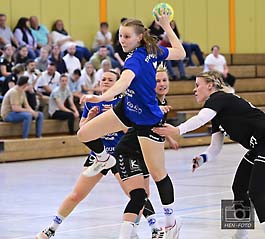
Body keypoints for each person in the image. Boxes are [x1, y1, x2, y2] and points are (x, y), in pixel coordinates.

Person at [77, 12, 185, 239]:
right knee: (84, 133)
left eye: (127, 36)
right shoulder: (151, 50)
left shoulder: (135, 58)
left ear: (139, 38)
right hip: (127, 110)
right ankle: (105, 159)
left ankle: (171, 221)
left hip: (148, 120)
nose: (122, 40)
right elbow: (180, 51)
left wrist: (101, 97)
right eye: (120, 36)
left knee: (158, 174)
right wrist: (166, 27)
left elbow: (124, 81)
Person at [152, 70, 265, 239]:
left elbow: (200, 119)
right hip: (257, 148)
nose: (194, 90)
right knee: (239, 187)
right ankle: (241, 235)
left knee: (257, 190)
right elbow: (215, 147)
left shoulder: (219, 98)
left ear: (210, 86)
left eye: (197, 85)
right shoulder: (218, 114)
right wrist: (202, 159)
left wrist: (177, 130)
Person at [35, 70, 126, 239]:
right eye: (103, 79)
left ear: (118, 83)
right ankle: (52, 228)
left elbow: (129, 130)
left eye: (110, 80)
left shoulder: (123, 102)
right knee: (77, 194)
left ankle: (155, 226)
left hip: (120, 154)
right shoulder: (91, 102)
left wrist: (112, 118)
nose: (106, 82)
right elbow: (82, 130)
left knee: (134, 194)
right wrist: (91, 117)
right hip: (99, 155)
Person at [112, 63, 178, 239]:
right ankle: (125, 235)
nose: (162, 84)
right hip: (128, 152)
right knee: (138, 195)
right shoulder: (149, 101)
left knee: (144, 195)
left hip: (144, 154)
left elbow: (156, 126)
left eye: (164, 80)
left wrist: (169, 137)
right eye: (157, 81)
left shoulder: (163, 102)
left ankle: (133, 231)